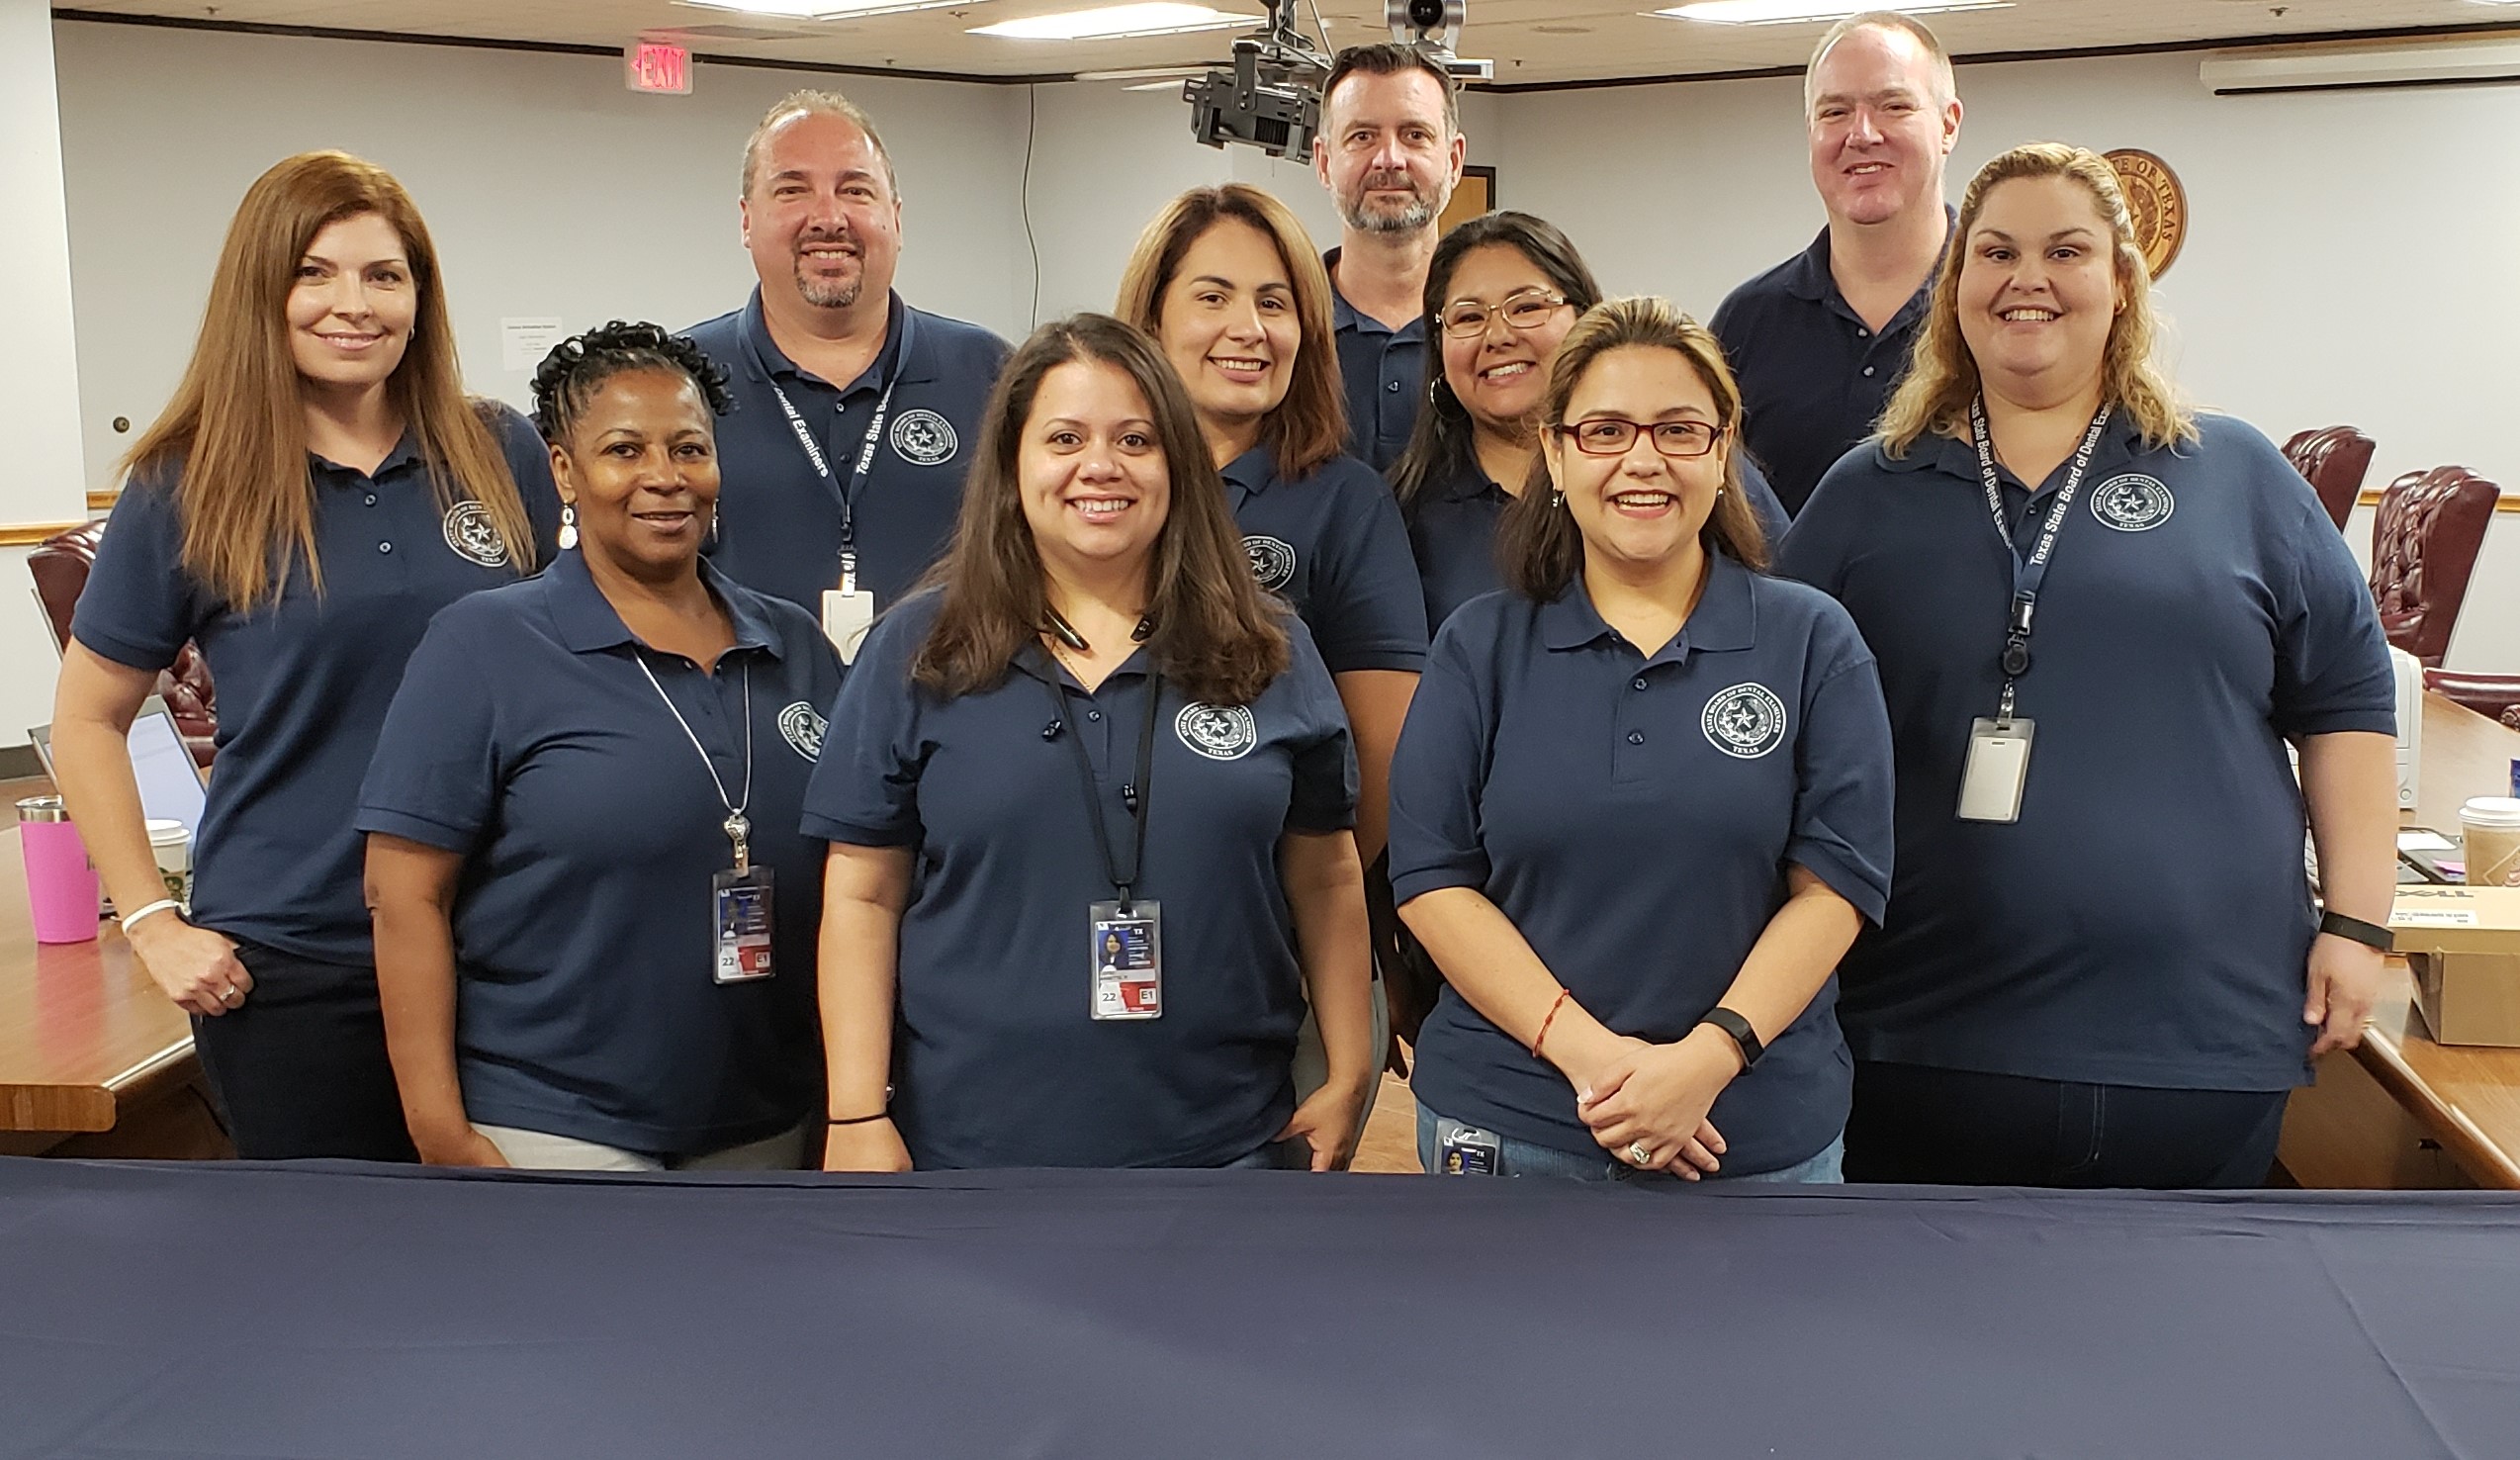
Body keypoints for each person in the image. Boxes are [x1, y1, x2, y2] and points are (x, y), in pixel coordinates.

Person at [1776, 142, 2399, 1188]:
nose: (2028, 278)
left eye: (2066, 250)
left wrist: (2356, 921)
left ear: (2120, 283)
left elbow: (2345, 699)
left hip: (2200, 1038)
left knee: (2176, 1337)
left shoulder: (2234, 475)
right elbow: (1780, 724)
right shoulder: (1863, 494)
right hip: (1920, 1032)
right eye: (1995, 251)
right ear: (1954, 286)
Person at [49, 151, 558, 1160]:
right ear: (264, 291)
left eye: (383, 275)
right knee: (335, 1281)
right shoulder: (188, 482)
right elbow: (86, 719)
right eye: (314, 273)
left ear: (420, 294)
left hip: (506, 942)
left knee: (520, 1268)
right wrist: (153, 921)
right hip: (295, 958)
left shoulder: (499, 451)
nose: (351, 305)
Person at [806, 315, 1376, 1171]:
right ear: (1012, 464)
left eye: (1135, 438)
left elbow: (1327, 875)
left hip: (1229, 1147)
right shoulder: (921, 649)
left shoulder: (1270, 651)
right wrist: (854, 1114)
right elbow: (861, 897)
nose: (1099, 467)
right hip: (968, 1154)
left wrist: (1351, 1066)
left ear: (1178, 464)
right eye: (1064, 438)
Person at [1391, 296, 1893, 1185]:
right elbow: (1433, 884)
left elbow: (1836, 888)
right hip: (1515, 1126)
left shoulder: (1813, 641)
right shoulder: (1480, 645)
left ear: (1723, 444)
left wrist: (1705, 1061)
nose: (1642, 461)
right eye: (1606, 431)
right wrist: (1601, 1066)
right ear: (1554, 448)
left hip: (1754, 1135)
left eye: (1677, 429)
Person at [359, 322, 840, 1171]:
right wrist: (441, 1133)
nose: (664, 477)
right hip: (558, 1127)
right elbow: (403, 898)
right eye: (624, 450)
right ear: (564, 472)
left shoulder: (793, 644)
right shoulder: (485, 646)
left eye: (689, 448)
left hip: (768, 1122)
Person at [1117, 183, 1425, 1083]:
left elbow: (1380, 747)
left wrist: (1288, 902)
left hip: (1272, 940)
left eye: (1275, 301)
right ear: (1153, 315)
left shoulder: (1342, 499)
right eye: (1211, 297)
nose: (1246, 328)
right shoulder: (1087, 484)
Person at [686, 89, 1011, 633]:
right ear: (746, 221)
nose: (828, 217)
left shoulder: (991, 373)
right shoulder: (679, 379)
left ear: (896, 219)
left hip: (946, 705)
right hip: (734, 709)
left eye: (855, 190)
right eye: (792, 190)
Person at [1392, 213, 1790, 633]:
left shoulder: (1692, 467)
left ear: (1584, 317)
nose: (1498, 336)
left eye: (1527, 307)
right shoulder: (1404, 516)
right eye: (1469, 317)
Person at [1710, 11, 1962, 517]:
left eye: (1893, 105)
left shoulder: (1997, 308)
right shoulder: (1746, 322)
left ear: (1948, 124)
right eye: (1835, 113)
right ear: (1810, 132)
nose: (1862, 134)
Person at [1312, 43, 1466, 471]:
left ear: (1453, 160)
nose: (1389, 159)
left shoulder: (1493, 336)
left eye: (1415, 135)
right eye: (1362, 137)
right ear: (1324, 162)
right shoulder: (1284, 329)